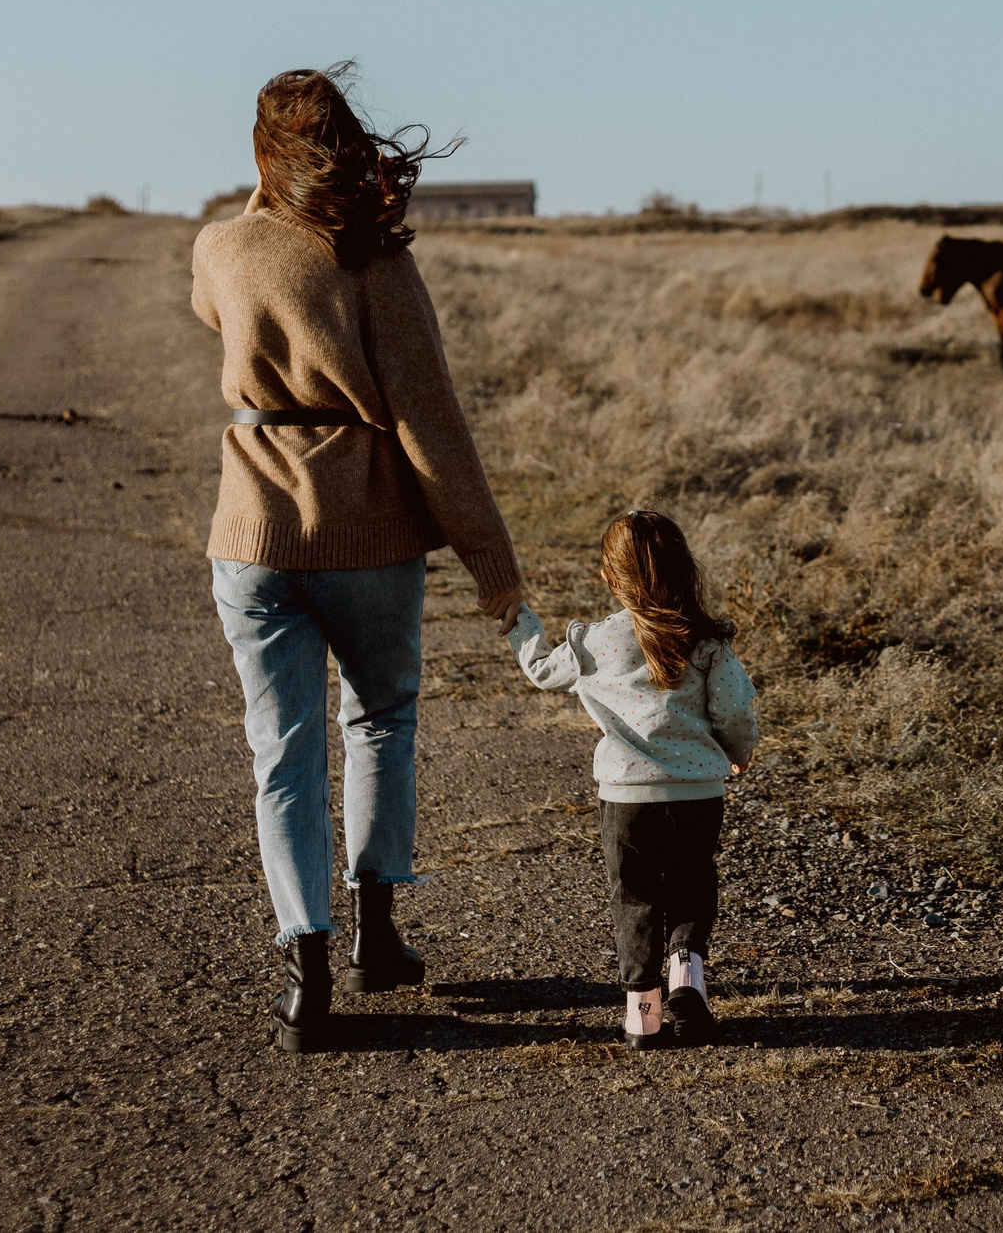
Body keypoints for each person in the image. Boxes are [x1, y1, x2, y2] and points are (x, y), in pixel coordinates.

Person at [191, 64, 524, 1053]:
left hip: (252, 532)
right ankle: (379, 934)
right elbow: (429, 416)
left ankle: (307, 972)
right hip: (367, 532)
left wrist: (261, 206)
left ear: (263, 155)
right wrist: (491, 560)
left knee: (282, 751)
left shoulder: (219, 246)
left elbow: (215, 310)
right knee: (379, 719)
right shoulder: (374, 257)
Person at [512, 511, 758, 1049]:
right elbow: (735, 710)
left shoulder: (595, 643)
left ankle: (642, 1015)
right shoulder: (707, 642)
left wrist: (521, 624)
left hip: (626, 796)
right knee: (692, 883)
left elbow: (541, 671)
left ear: (609, 578)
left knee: (634, 896)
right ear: (684, 568)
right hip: (697, 793)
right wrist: (738, 753)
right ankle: (687, 976)